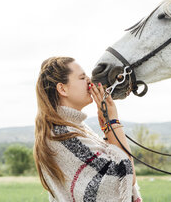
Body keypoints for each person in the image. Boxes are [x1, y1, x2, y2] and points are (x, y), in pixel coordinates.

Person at [34, 56, 142, 202]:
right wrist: (113, 122)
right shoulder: (62, 135)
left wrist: (107, 128)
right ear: (62, 89)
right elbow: (123, 177)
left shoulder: (75, 127)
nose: (90, 81)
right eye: (82, 77)